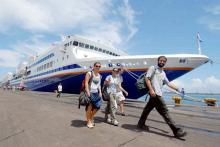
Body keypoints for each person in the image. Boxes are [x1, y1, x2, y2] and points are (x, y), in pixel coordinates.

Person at [137, 56, 187, 138]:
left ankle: (140, 124)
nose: (162, 62)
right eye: (161, 60)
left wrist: (178, 89)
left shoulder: (163, 73)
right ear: (158, 61)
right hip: (155, 94)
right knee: (165, 111)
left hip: (157, 94)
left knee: (147, 109)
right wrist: (151, 90)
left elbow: (168, 83)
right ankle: (176, 131)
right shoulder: (153, 68)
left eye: (164, 61)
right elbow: (147, 78)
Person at [85, 62, 102, 128]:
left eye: (99, 66)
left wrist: (100, 92)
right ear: (94, 66)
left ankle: (91, 117)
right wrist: (88, 92)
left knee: (98, 107)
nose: (98, 67)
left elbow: (99, 85)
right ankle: (88, 122)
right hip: (90, 92)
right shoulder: (89, 73)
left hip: (96, 93)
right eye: (96, 66)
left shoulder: (99, 75)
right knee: (89, 107)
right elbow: (86, 83)